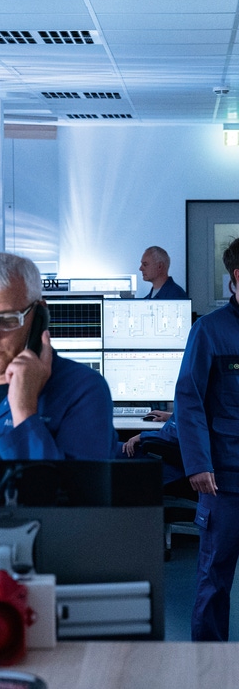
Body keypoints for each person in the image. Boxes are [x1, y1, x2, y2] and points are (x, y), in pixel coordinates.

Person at [0, 252, 117, 459]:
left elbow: (75, 490)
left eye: (6, 319)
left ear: (39, 316)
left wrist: (25, 413)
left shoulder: (83, 389)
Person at [175, 236, 239, 641]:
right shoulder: (209, 332)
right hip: (226, 482)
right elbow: (189, 400)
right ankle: (205, 669)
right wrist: (198, 464)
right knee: (214, 580)